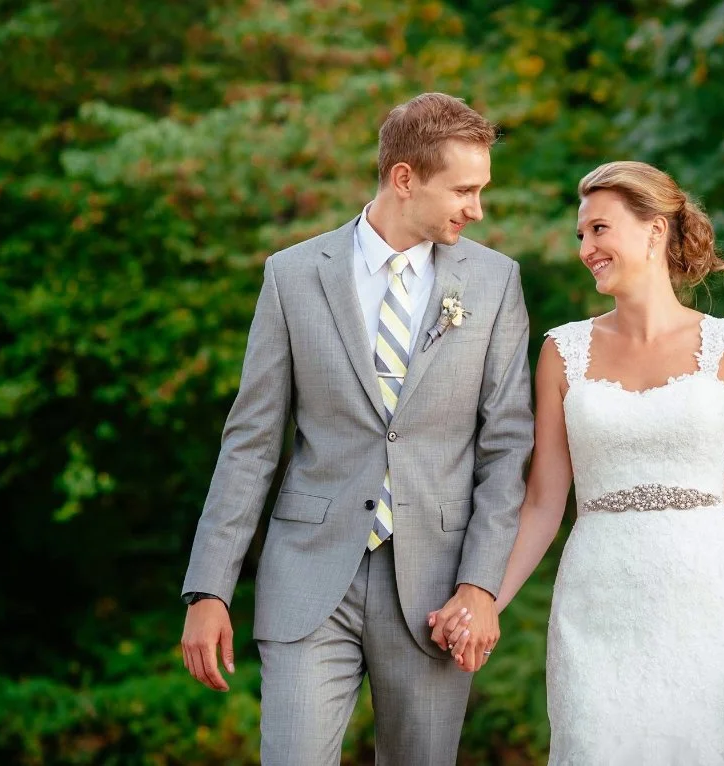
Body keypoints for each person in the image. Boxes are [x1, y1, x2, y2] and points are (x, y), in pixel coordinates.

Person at [179, 92, 533, 766]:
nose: (477, 209)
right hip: (309, 576)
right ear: (405, 179)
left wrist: (482, 586)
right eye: (463, 189)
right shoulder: (290, 276)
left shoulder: (493, 282)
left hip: (437, 591)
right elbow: (251, 443)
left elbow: (507, 444)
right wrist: (209, 588)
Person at [433, 160, 724, 763]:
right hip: (598, 607)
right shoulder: (562, 352)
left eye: (599, 229)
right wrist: (483, 602)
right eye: (582, 235)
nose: (586, 248)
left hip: (714, 603)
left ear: (655, 230)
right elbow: (543, 503)